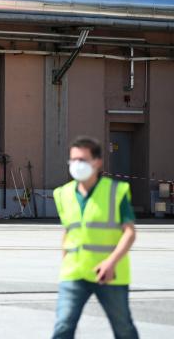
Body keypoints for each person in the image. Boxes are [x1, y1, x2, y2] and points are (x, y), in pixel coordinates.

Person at [52, 136, 138, 339]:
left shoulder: (116, 191)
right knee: (63, 327)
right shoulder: (63, 194)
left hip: (109, 273)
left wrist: (111, 263)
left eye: (82, 160)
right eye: (73, 160)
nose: (76, 165)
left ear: (97, 162)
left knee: (123, 328)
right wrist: (65, 261)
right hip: (74, 273)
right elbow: (68, 230)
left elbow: (129, 232)